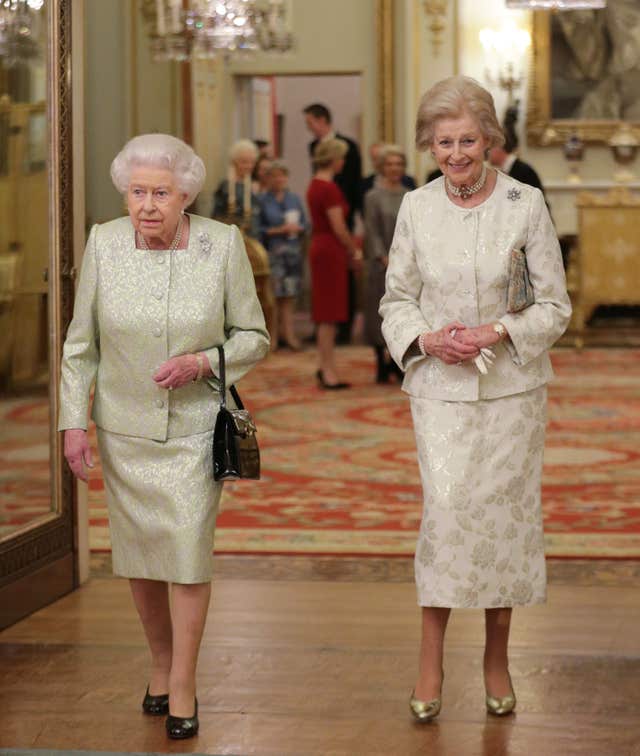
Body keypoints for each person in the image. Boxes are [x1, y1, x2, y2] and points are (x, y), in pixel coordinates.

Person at [58, 134, 269, 740]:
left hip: (195, 429)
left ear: (185, 197)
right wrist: (75, 422)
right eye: (136, 192)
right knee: (141, 560)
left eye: (161, 193)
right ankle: (157, 661)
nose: (147, 205)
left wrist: (204, 362)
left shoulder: (220, 245)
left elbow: (253, 335)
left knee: (185, 554)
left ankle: (183, 680)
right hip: (124, 428)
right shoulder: (103, 242)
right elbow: (80, 347)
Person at [379, 76, 571, 724]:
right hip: (439, 392)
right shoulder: (417, 208)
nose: (456, 154)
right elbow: (395, 299)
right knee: (449, 513)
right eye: (442, 143)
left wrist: (499, 330)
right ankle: (429, 659)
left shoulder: (524, 203)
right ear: (428, 146)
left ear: (489, 139)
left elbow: (554, 305)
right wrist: (427, 339)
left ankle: (497, 657)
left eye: (466, 140)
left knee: (504, 518)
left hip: (513, 390)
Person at [307, 139, 362, 389]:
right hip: (330, 249)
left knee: (325, 314)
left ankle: (325, 366)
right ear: (333, 158)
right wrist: (354, 249)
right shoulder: (328, 189)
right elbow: (339, 227)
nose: (343, 163)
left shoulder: (314, 185)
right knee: (328, 315)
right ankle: (328, 371)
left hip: (321, 246)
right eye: (342, 158)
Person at [212, 139, 274, 338]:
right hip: (233, 244)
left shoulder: (255, 188)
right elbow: (216, 216)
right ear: (234, 162)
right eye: (243, 162)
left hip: (255, 244)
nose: (247, 167)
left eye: (250, 163)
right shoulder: (225, 186)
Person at [363, 144, 409, 383]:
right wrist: (383, 256)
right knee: (377, 314)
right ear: (381, 167)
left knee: (402, 313)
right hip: (380, 264)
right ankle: (380, 361)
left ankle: (397, 360)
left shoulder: (410, 195)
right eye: (390, 164)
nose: (395, 168)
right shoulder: (372, 197)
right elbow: (371, 231)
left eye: (399, 164)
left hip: (406, 265)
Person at [258, 161, 307, 351]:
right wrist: (279, 229)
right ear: (268, 179)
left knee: (289, 296)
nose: (279, 180)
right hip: (273, 254)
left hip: (293, 254)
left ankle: (290, 335)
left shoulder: (294, 199)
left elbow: (305, 223)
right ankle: (273, 337)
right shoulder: (262, 200)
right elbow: (258, 229)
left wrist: (299, 228)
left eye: (283, 176)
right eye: (275, 176)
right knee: (274, 297)